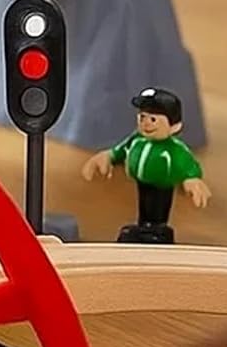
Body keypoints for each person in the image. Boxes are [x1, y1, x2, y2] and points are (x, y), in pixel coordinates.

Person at [81, 86, 211, 244]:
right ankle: (144, 227)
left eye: (153, 119)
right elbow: (122, 149)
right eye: (142, 117)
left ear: (174, 126)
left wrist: (191, 178)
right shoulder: (137, 139)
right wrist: (109, 156)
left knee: (157, 208)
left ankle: (157, 229)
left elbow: (187, 163)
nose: (146, 123)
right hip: (142, 182)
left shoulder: (173, 149)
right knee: (144, 206)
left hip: (162, 186)